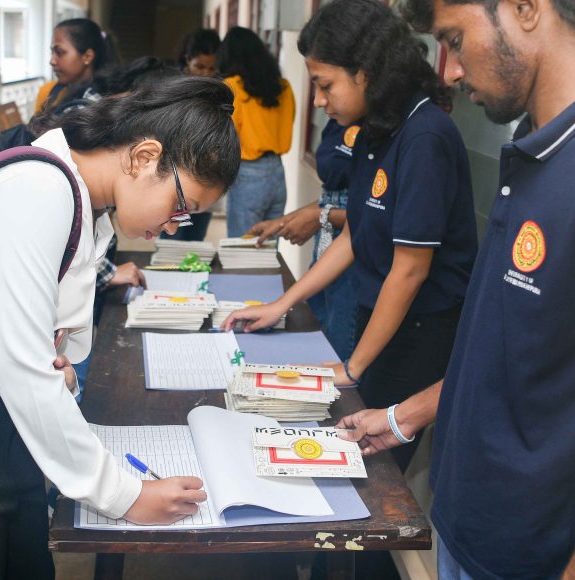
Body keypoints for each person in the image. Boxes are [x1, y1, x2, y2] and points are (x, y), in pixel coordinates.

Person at [337, 1, 575, 579]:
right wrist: (404, 416)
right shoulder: (531, 145)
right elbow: (504, 352)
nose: (451, 70)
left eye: (456, 40)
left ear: (526, 9)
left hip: (532, 555)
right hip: (463, 524)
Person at [0, 75, 240, 578]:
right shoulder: (37, 188)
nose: (173, 225)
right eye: (181, 208)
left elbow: (42, 350)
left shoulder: (83, 200)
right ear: (145, 157)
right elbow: (22, 366)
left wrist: (59, 369)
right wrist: (125, 496)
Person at [223, 0, 477, 472]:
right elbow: (354, 235)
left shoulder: (425, 138)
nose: (319, 101)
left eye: (325, 85)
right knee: (344, 441)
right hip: (377, 314)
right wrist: (283, 304)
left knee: (372, 466)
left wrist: (355, 366)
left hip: (419, 332)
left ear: (366, 73)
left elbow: (410, 270)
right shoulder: (373, 131)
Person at [246, 119, 359, 360]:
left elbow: (370, 215)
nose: (319, 102)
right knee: (317, 326)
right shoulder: (336, 122)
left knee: (336, 350)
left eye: (327, 94)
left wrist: (321, 216)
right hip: (329, 246)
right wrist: (285, 221)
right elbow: (332, 197)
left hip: (353, 258)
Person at [216, 27, 295, 238]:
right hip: (277, 172)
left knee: (242, 246)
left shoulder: (232, 87)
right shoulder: (283, 88)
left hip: (247, 173)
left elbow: (225, 135)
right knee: (268, 245)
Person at [158, 29, 220, 242]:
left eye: (212, 68)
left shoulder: (218, 90)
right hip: (174, 175)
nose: (206, 74)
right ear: (187, 59)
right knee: (172, 239)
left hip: (205, 174)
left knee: (195, 241)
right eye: (200, 67)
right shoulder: (172, 87)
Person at [34, 18, 114, 117]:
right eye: (52, 53)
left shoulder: (88, 105)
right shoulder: (59, 89)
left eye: (59, 52)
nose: (52, 61)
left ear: (87, 57)